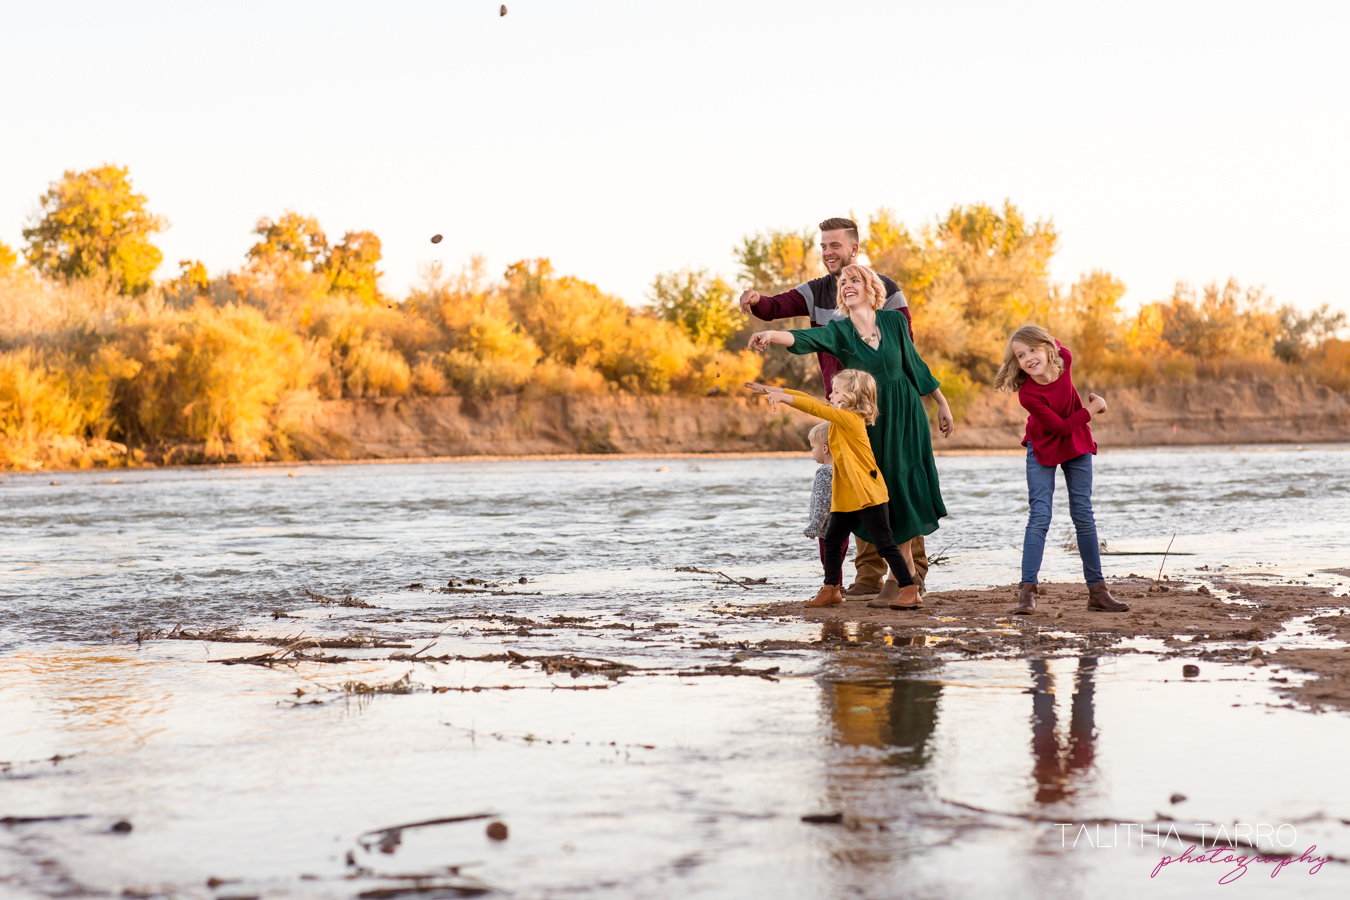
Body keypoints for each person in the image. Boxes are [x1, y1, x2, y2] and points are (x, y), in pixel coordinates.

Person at [739, 217, 927, 599]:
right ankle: (867, 575)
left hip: (885, 404)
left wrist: (928, 398)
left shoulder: (886, 290)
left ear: (854, 248)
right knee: (854, 482)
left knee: (895, 480)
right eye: (823, 246)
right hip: (838, 402)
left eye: (835, 246)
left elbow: (903, 344)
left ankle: (910, 574)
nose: (827, 253)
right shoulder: (816, 291)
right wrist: (757, 301)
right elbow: (777, 309)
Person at [751, 370, 920, 609]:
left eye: (837, 391)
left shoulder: (851, 419)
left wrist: (783, 399)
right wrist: (776, 391)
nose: (831, 394)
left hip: (867, 493)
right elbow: (811, 400)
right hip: (846, 494)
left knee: (885, 544)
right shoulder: (840, 416)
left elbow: (814, 409)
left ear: (852, 396)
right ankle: (831, 589)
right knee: (831, 541)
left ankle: (909, 590)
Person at [992, 325, 1129, 614]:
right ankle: (1027, 593)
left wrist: (1042, 339)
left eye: (1033, 349)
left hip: (1076, 445)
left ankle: (1098, 592)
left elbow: (1070, 431)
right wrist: (1095, 408)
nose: (1029, 357)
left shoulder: (1063, 360)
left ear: (1047, 348)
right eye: (1020, 355)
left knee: (1083, 514)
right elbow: (1061, 427)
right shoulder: (1028, 395)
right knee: (1040, 515)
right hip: (1043, 447)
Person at [803, 422, 850, 575]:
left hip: (828, 529)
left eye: (813, 447)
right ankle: (837, 587)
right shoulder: (843, 470)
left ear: (825, 449)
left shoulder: (824, 472)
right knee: (838, 560)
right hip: (844, 527)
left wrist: (813, 527)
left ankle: (833, 588)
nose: (812, 452)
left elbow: (823, 505)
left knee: (828, 561)